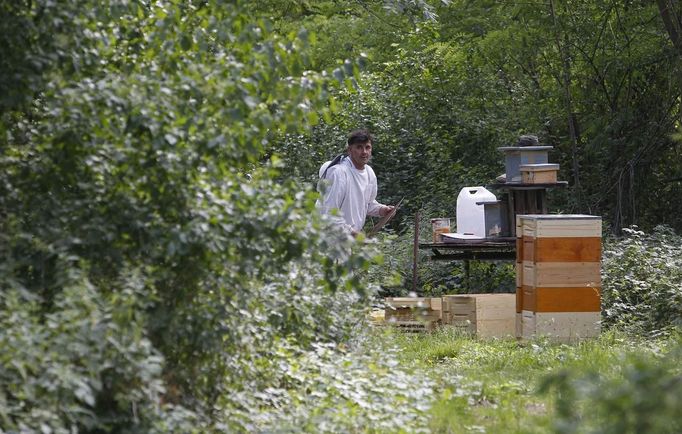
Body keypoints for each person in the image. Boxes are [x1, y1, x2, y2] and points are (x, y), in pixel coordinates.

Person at [317, 129, 394, 236]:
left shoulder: (369, 173)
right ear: (350, 150)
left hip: (346, 239)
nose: (364, 152)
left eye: (367, 147)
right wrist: (353, 234)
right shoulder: (339, 173)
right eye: (359, 147)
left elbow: (366, 203)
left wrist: (382, 210)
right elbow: (329, 214)